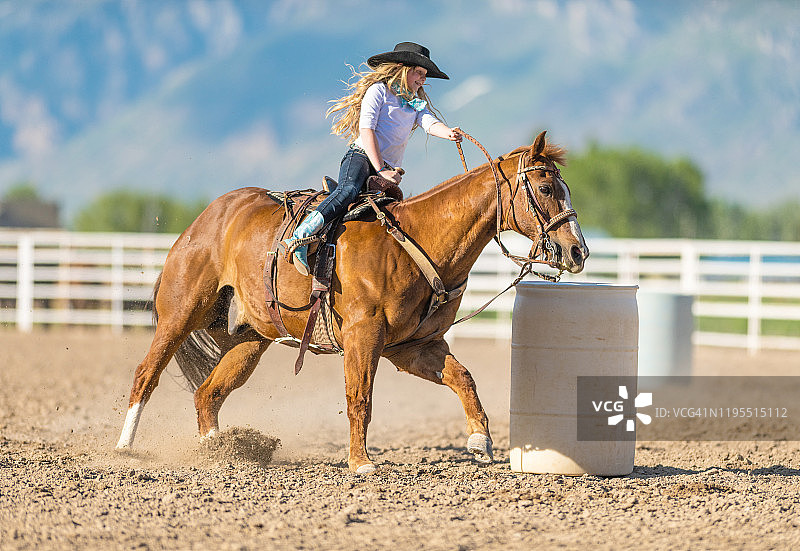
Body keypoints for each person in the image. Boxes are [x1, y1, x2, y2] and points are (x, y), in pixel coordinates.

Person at [282, 41, 463, 275]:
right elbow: (366, 130)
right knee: (348, 190)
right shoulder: (378, 91)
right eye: (419, 72)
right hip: (361, 158)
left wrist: (449, 133)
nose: (423, 79)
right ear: (402, 68)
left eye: (425, 75)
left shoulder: (415, 103)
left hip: (385, 170)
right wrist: (380, 169)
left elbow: (428, 122)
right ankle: (301, 235)